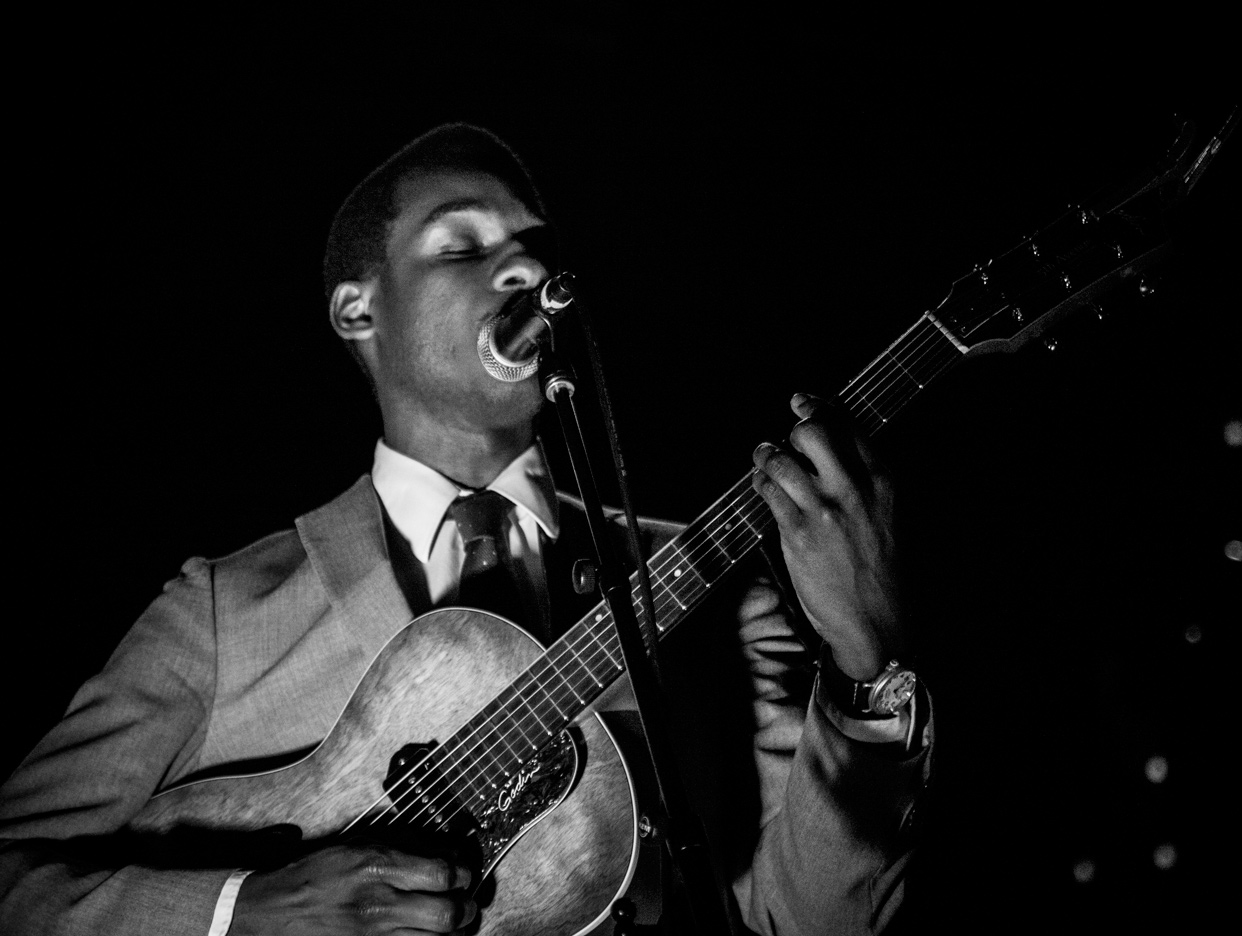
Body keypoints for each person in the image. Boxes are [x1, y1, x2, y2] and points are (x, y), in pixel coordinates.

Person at [0, 124, 931, 935]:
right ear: (358, 308)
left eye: (533, 246)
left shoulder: (708, 582)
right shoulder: (221, 613)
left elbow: (813, 921)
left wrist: (866, 670)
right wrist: (242, 913)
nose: (521, 265)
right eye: (461, 245)